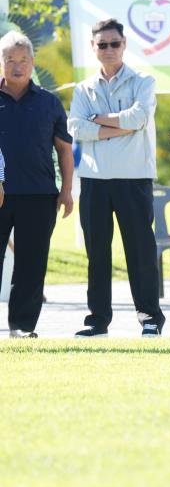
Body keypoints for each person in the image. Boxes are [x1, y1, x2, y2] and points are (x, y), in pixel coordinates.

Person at [68, 18, 165, 338]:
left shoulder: (143, 81)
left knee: (140, 253)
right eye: (102, 44)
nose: (109, 49)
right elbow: (76, 128)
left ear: (124, 45)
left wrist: (98, 122)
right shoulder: (83, 88)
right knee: (97, 255)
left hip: (134, 177)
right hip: (94, 180)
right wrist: (118, 127)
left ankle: (150, 317)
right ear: (93, 47)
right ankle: (97, 320)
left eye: (115, 43)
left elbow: (139, 118)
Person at [0, 31, 74, 338]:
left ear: (33, 62)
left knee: (31, 265)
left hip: (40, 194)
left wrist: (67, 191)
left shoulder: (49, 102)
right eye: (9, 59)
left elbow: (64, 149)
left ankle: (21, 326)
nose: (17, 66)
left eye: (23, 60)